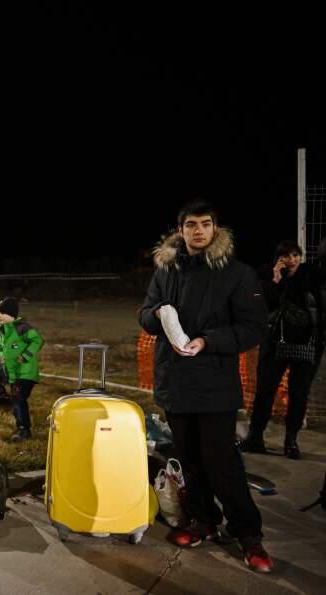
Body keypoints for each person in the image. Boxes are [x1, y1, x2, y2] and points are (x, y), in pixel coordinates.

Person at [138, 199, 273, 573]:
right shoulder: (166, 271)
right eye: (191, 224)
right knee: (190, 461)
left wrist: (208, 341)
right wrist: (157, 315)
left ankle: (248, 536)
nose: (199, 230)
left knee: (222, 463)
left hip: (214, 385)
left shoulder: (238, 274)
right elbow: (145, 313)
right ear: (179, 230)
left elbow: (253, 327)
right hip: (176, 385)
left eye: (206, 224)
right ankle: (203, 521)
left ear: (216, 229)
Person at [241, 241, 324, 459]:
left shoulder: (312, 275)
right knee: (264, 392)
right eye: (287, 256)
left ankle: (291, 441)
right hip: (275, 344)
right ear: (279, 259)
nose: (293, 259)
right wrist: (276, 280)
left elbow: (321, 306)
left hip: (307, 346)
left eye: (296, 254)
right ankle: (255, 438)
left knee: (298, 394)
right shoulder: (268, 276)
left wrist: (319, 340)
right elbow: (263, 306)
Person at [0, 297, 44, 441]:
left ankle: (24, 430)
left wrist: (26, 356)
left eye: (2, 313)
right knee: (16, 399)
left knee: (18, 398)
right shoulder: (2, 331)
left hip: (25, 373)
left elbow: (37, 341)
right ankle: (21, 424)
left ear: (12, 315)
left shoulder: (22, 327)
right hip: (13, 374)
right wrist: (2, 356)